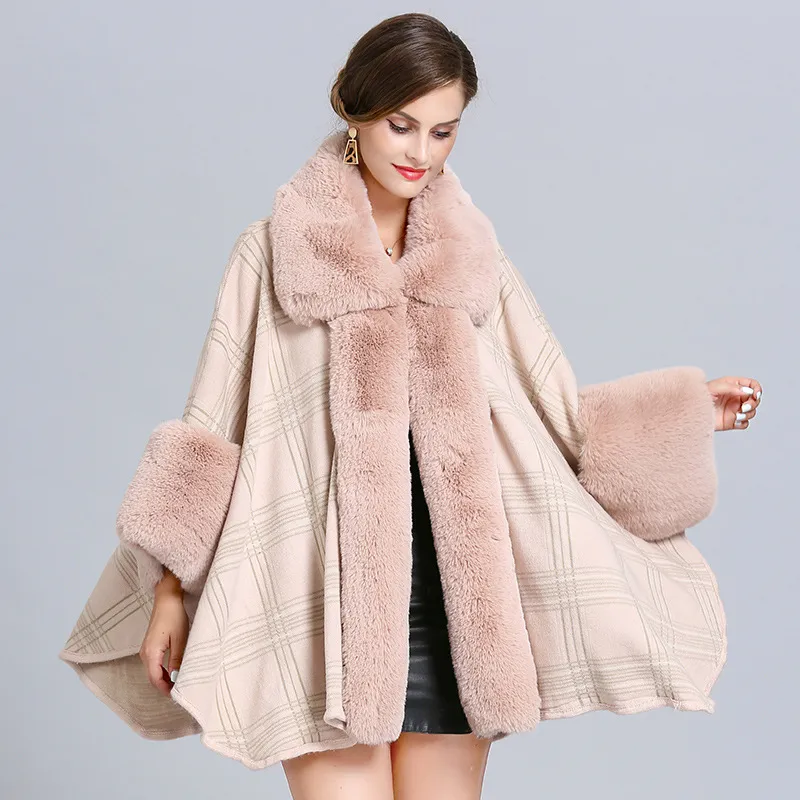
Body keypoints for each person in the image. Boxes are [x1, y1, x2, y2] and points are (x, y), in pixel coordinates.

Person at [58, 12, 762, 800]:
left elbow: (557, 411)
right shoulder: (272, 253)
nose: (420, 152)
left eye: (443, 132)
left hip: (457, 614)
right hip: (323, 611)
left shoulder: (473, 259)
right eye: (402, 125)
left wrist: (685, 413)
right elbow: (209, 431)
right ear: (352, 107)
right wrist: (168, 592)